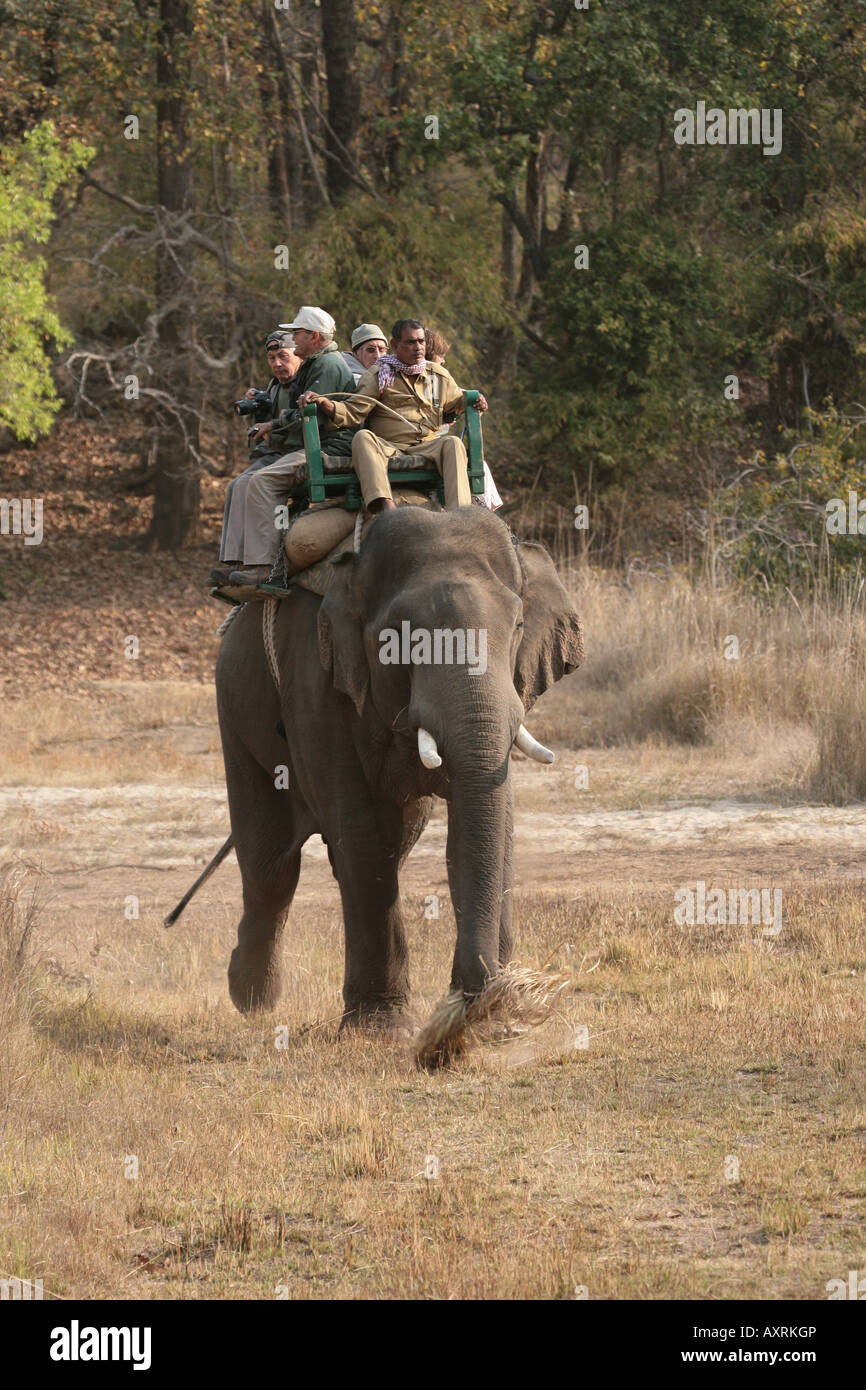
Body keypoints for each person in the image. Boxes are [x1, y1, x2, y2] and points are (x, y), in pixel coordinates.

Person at [211, 306, 356, 588]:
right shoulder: (312, 364)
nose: (295, 339)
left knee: (263, 482)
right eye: (272, 357)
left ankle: (267, 567)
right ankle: (238, 562)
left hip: (328, 448)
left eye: (297, 334)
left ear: (314, 336)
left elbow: (309, 415)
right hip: (307, 444)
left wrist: (272, 427)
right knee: (239, 484)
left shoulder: (327, 365)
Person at [299, 318, 487, 514]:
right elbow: (353, 412)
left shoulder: (438, 375)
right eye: (410, 342)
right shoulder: (379, 374)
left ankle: (461, 513)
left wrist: (475, 400)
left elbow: (458, 400)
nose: (418, 348)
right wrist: (323, 402)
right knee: (363, 438)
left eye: (421, 342)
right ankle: (384, 506)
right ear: (396, 345)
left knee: (453, 443)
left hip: (428, 446)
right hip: (390, 447)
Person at [424, 329, 503, 512]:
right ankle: (480, 511)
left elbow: (461, 397)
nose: (443, 361)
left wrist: (475, 401)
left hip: (434, 443)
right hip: (425, 445)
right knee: (475, 464)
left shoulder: (439, 380)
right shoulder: (428, 378)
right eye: (440, 356)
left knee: (477, 463)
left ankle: (482, 510)